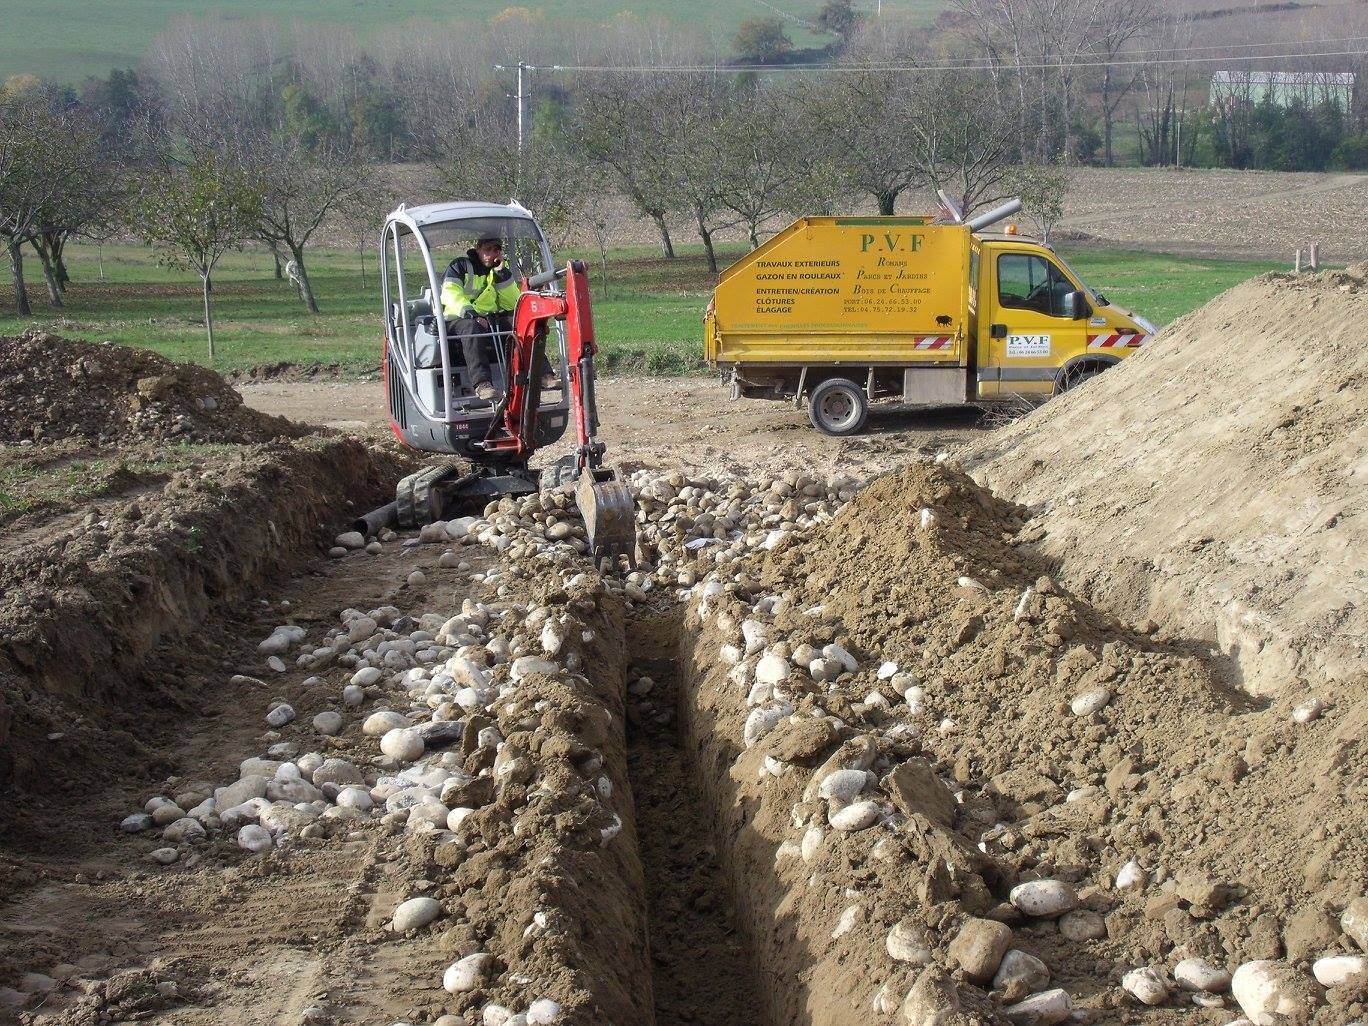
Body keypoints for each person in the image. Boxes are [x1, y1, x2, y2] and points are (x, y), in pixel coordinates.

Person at [441, 237, 521, 402]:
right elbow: (450, 295)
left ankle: (542, 375)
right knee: (472, 327)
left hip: (488, 320)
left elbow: (513, 302)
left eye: (497, 249)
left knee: (521, 324)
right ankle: (482, 384)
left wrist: (502, 274)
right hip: (458, 319)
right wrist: (472, 314)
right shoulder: (459, 266)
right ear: (477, 249)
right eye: (488, 249)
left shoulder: (497, 271)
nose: (492, 254)